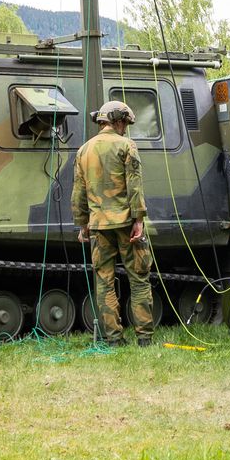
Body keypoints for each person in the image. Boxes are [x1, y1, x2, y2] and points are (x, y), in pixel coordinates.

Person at [72, 99, 156, 347]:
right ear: (117, 121)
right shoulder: (127, 146)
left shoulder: (83, 150)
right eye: (125, 124)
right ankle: (144, 338)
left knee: (104, 282)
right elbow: (135, 185)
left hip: (98, 226)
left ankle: (114, 339)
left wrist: (82, 223)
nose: (125, 128)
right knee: (139, 278)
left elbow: (78, 192)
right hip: (126, 225)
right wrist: (138, 219)